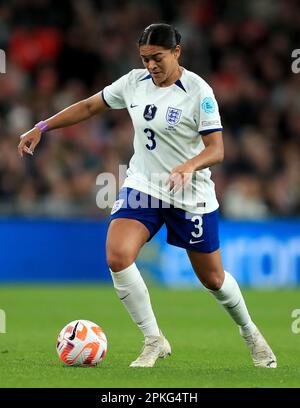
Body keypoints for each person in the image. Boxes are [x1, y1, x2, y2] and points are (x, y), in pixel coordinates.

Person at [18, 23, 277, 369]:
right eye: (145, 59)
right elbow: (89, 106)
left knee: (213, 279)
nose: (151, 66)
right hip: (144, 185)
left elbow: (217, 149)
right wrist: (42, 127)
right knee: (117, 255)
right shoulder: (133, 83)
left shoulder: (198, 91)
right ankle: (154, 339)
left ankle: (250, 332)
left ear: (176, 52)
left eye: (157, 58)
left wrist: (190, 165)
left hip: (190, 194)